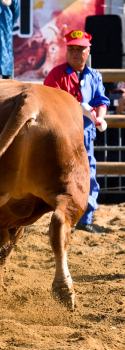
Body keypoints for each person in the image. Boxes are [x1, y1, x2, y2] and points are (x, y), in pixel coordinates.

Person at [44, 30, 110, 234]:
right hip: (61, 135)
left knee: (88, 175)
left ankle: (85, 219)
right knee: (55, 176)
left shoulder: (95, 76)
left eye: (80, 49)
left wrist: (100, 117)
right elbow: (48, 100)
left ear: (88, 51)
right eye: (71, 49)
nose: (75, 53)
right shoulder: (56, 74)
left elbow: (101, 100)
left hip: (86, 136)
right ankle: (54, 218)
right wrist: (75, 106)